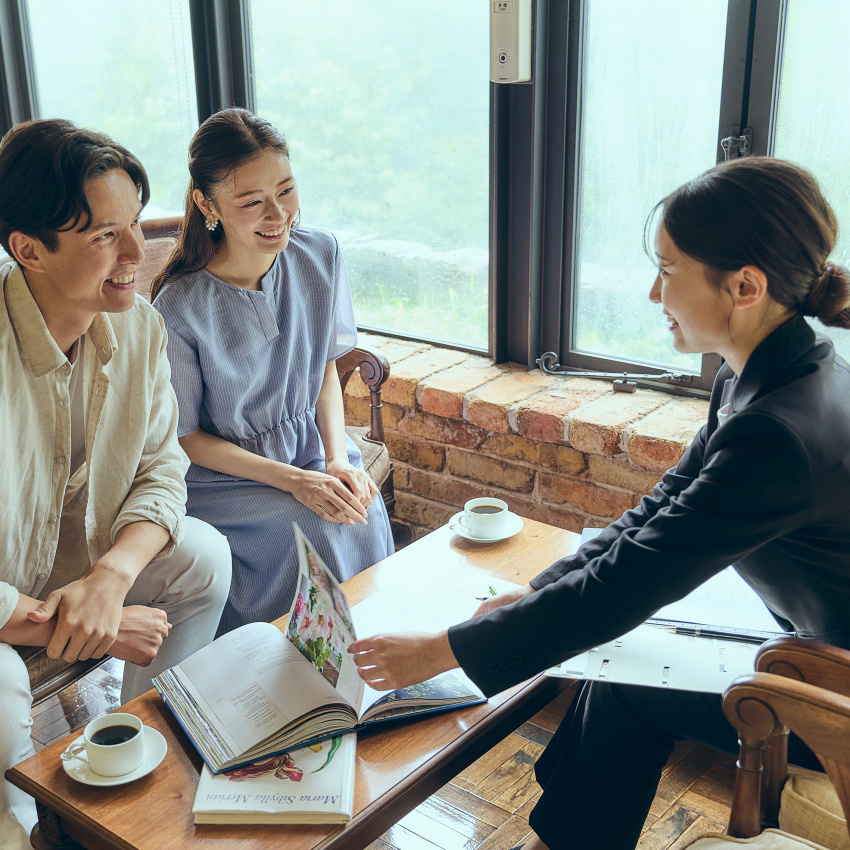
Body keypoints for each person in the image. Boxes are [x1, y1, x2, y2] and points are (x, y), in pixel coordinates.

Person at [348, 157, 850, 850]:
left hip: (835, 696)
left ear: (745, 285)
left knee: (628, 675)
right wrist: (532, 591)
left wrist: (440, 652)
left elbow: (628, 582)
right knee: (623, 668)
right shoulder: (775, 368)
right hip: (811, 645)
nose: (653, 292)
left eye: (669, 270)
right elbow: (659, 509)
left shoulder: (779, 430)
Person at [0, 119, 232, 849]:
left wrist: (111, 576)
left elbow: (163, 467)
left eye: (136, 223)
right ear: (28, 250)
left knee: (202, 556)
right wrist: (52, 620)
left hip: (68, 567)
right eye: (107, 237)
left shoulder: (138, 326)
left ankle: (136, 765)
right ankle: (28, 829)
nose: (139, 253)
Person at [151, 108, 394, 635]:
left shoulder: (320, 254)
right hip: (226, 476)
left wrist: (334, 458)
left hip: (311, 443)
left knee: (361, 508)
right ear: (206, 204)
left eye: (285, 190)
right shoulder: (179, 306)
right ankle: (292, 684)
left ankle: (379, 663)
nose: (277, 213)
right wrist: (296, 483)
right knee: (314, 529)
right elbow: (188, 438)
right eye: (250, 201)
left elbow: (324, 371)